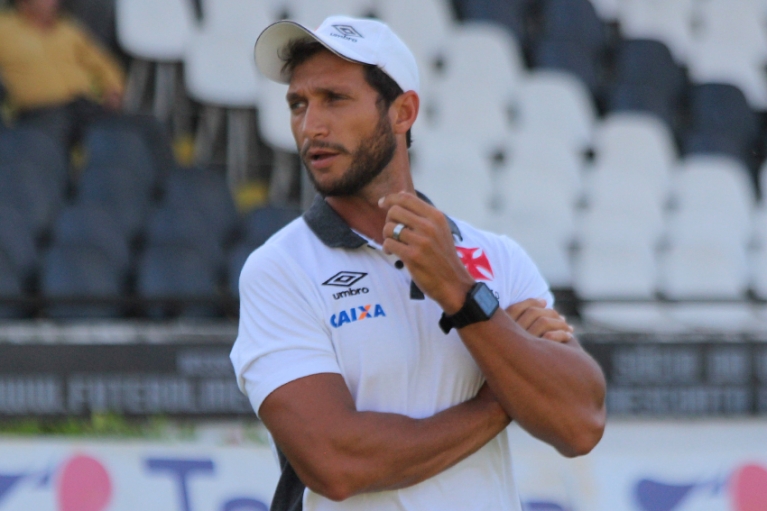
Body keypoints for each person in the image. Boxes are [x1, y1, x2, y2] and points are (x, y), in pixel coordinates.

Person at [231, 15, 606, 511]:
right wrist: (505, 399)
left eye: (334, 99)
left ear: (403, 112)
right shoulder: (279, 270)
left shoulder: (498, 256)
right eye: (298, 104)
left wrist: (460, 292)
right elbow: (336, 464)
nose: (310, 126)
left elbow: (580, 425)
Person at [0, 0, 174, 173]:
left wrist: (113, 88)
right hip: (41, 110)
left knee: (148, 126)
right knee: (48, 146)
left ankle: (170, 184)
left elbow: (101, 62)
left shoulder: (67, 29)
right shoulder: (5, 29)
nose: (54, 3)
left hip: (83, 105)